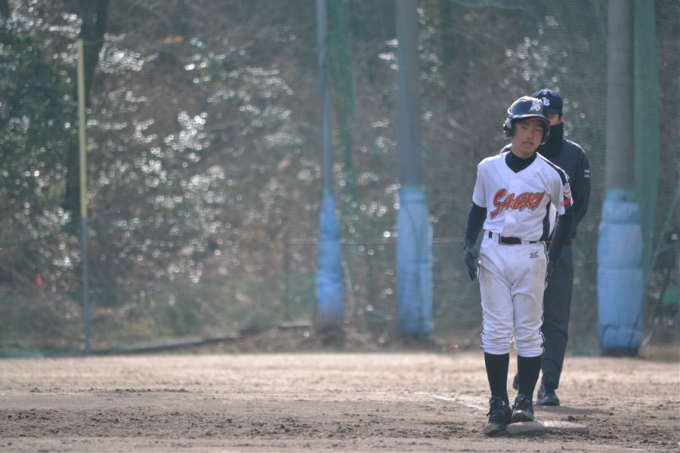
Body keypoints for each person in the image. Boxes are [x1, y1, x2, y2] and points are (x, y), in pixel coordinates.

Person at [461, 95, 574, 436]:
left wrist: (553, 257)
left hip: (531, 253)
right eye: (524, 127)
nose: (530, 135)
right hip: (493, 252)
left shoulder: (552, 174)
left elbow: (566, 217)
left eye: (538, 129)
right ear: (510, 129)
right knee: (496, 330)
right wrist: (468, 242)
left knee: (527, 330)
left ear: (545, 135)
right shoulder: (488, 168)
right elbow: (478, 208)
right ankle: (498, 403)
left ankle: (525, 400)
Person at [509, 89, 591, 406]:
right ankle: (525, 372)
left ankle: (548, 385)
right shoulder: (514, 153)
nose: (543, 124)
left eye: (550, 117)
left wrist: (557, 234)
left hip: (559, 246)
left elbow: (579, 204)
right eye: (536, 119)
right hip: (520, 248)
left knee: (555, 318)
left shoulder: (574, 155)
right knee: (524, 314)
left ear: (560, 118)